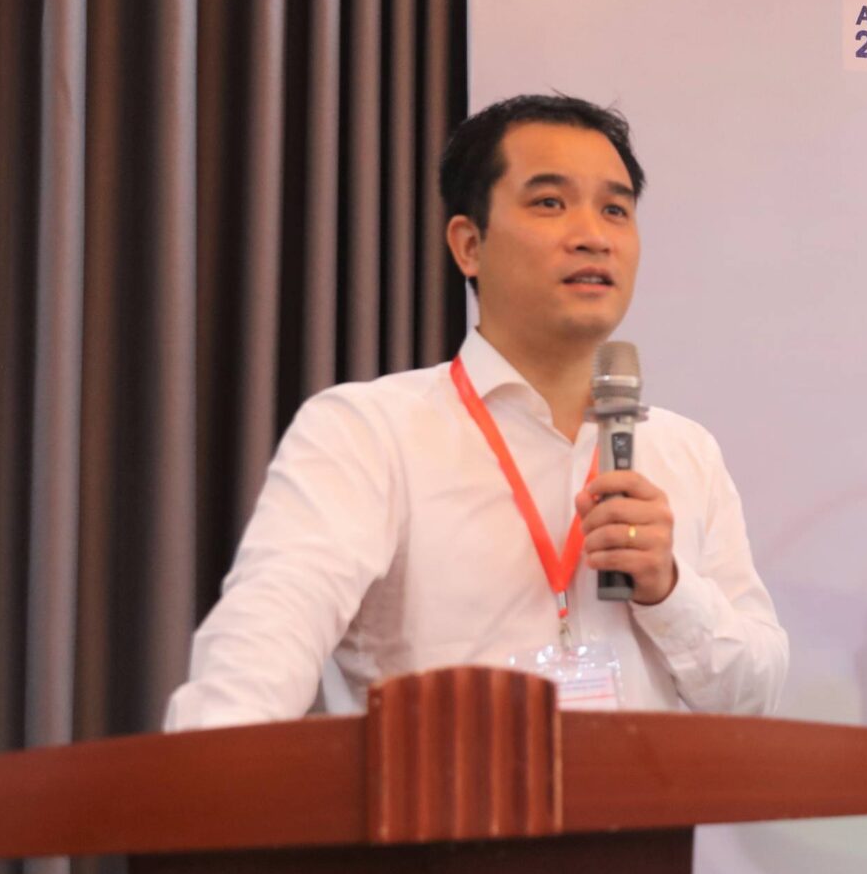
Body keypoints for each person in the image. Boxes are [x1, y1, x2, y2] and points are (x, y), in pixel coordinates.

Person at [165, 93, 788, 730]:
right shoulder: (368, 432)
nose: (593, 236)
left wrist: (670, 588)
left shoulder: (685, 451)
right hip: (442, 795)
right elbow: (257, 656)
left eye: (615, 210)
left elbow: (755, 694)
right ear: (469, 245)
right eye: (550, 202)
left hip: (640, 800)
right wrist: (210, 771)